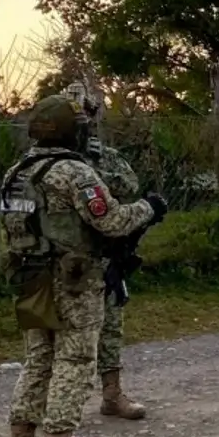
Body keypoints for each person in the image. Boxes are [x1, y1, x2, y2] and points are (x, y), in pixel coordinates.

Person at [0, 94, 168, 437]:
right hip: (73, 280)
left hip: (29, 277)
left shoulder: (16, 173)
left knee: (37, 361)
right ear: (72, 132)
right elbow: (111, 220)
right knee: (74, 361)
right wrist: (149, 208)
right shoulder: (75, 172)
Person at [61, 82, 147, 420]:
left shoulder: (103, 156)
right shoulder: (47, 161)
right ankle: (56, 408)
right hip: (63, 259)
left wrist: (94, 170)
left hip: (103, 253)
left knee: (111, 325)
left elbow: (130, 185)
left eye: (85, 113)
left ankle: (112, 393)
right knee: (60, 336)